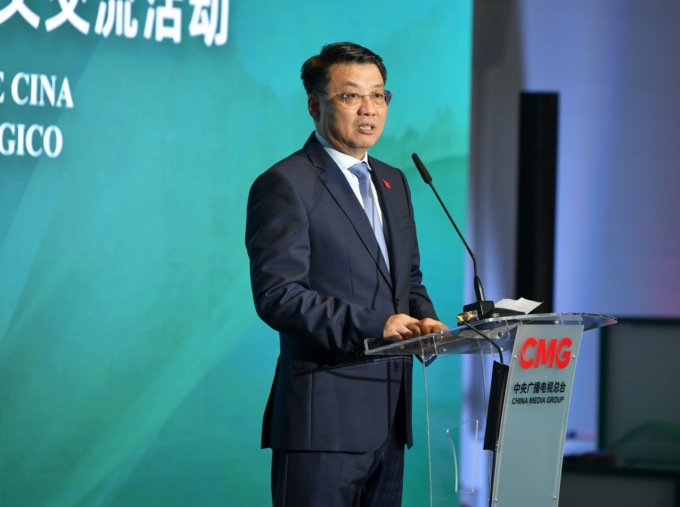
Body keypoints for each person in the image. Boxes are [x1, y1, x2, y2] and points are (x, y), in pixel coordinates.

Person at [245, 42, 447, 506]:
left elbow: (408, 280)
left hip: (390, 422)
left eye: (378, 95)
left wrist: (425, 321)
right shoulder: (285, 183)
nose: (369, 109)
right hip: (322, 423)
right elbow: (279, 295)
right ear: (315, 105)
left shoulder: (394, 180)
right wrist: (379, 325)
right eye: (351, 96)